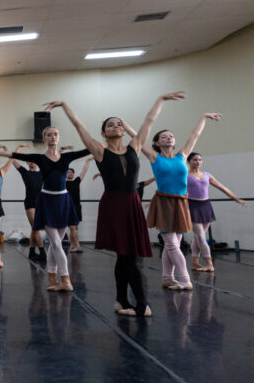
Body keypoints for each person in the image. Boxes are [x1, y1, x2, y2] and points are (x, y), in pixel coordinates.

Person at [44, 92, 184, 316]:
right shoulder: (99, 150)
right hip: (114, 205)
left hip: (132, 204)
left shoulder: (134, 146)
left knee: (124, 255)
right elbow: (79, 125)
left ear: (123, 130)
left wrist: (160, 99)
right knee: (129, 257)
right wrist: (64, 105)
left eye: (119, 124)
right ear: (103, 133)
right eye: (110, 125)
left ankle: (121, 301)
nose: (116, 126)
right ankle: (142, 306)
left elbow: (149, 121)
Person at [0, 130, 90, 291]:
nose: (53, 137)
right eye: (49, 134)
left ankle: (51, 279)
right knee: (56, 243)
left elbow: (87, 150)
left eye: (55, 134)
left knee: (54, 244)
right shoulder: (39, 158)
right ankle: (66, 280)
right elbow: (17, 156)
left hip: (63, 201)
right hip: (47, 202)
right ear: (44, 138)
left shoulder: (67, 157)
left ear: (59, 137)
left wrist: (104, 145)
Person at [142, 112, 222, 290]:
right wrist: (123, 125)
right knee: (171, 244)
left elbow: (195, 134)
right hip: (164, 203)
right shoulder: (155, 157)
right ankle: (185, 280)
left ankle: (167, 278)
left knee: (173, 244)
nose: (169, 138)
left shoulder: (182, 156)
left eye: (171, 136)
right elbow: (138, 137)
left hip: (181, 203)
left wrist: (204, 117)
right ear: (156, 143)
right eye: (164, 136)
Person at [186, 152, 247, 272]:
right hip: (192, 206)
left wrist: (237, 199)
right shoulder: (185, 175)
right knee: (201, 236)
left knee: (198, 236)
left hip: (206, 206)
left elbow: (223, 188)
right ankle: (209, 263)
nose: (198, 162)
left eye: (200, 160)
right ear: (188, 161)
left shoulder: (207, 175)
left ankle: (194, 263)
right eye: (195, 160)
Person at [13, 146, 45, 259]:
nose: (32, 162)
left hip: (39, 203)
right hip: (30, 203)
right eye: (30, 161)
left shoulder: (41, 173)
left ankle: (31, 252)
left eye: (34, 161)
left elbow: (52, 163)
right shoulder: (25, 172)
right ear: (27, 163)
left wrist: (59, 151)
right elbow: (13, 160)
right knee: (36, 228)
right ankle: (42, 253)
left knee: (34, 229)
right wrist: (17, 149)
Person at [65, 157, 93, 253]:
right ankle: (77, 245)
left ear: (73, 174)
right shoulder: (63, 183)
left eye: (71, 172)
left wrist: (87, 162)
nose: (70, 174)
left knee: (74, 228)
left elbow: (83, 172)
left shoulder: (77, 181)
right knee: (72, 227)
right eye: (68, 172)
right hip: (68, 207)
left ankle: (72, 246)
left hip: (77, 206)